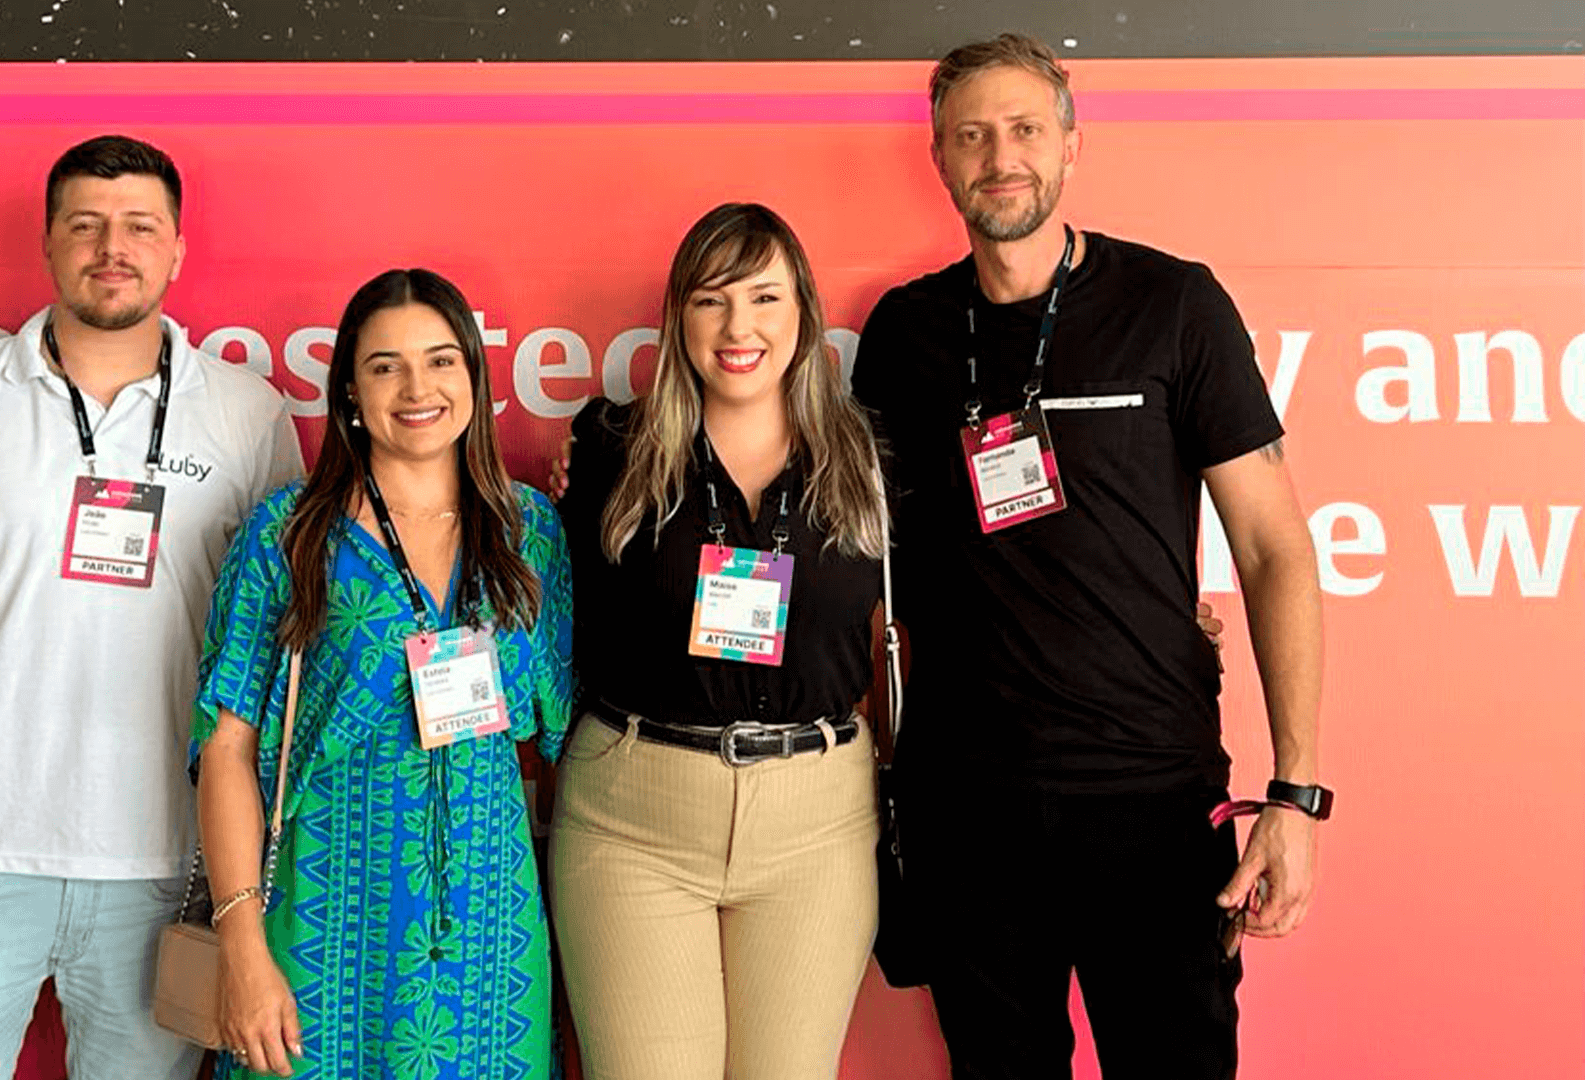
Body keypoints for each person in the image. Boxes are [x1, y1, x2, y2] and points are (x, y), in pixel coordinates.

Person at [850, 33, 1329, 1080]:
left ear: (1070, 143)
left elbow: (1274, 546)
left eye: (1024, 128)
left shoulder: (1174, 305)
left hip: (1152, 802)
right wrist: (605, 449)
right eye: (971, 135)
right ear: (938, 157)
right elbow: (839, 532)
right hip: (967, 810)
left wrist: (1296, 795)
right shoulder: (903, 334)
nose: (999, 155)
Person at [0, 134, 303, 1079]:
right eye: (85, 225)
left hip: (167, 866)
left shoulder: (249, 416)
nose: (110, 248)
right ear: (48, 242)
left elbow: (280, 644)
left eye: (137, 227)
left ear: (176, 248)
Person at [192, 268, 575, 1079]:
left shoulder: (529, 529)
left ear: (474, 375)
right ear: (349, 393)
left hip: (485, 941)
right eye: (384, 366)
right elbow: (226, 748)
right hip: (321, 924)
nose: (416, 387)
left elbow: (556, 735)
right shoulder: (289, 536)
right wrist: (243, 944)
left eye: (441, 361)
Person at [550, 203, 888, 1080]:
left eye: (765, 298)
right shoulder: (607, 449)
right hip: (634, 820)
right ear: (678, 318)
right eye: (712, 300)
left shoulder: (871, 458)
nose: (740, 327)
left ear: (804, 315)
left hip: (816, 826)